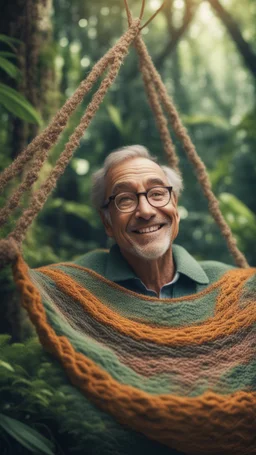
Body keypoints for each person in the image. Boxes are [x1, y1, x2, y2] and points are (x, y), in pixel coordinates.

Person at [89, 144, 233, 298]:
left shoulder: (230, 285)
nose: (146, 211)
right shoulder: (78, 288)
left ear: (175, 206)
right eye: (125, 199)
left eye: (157, 194)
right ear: (107, 222)